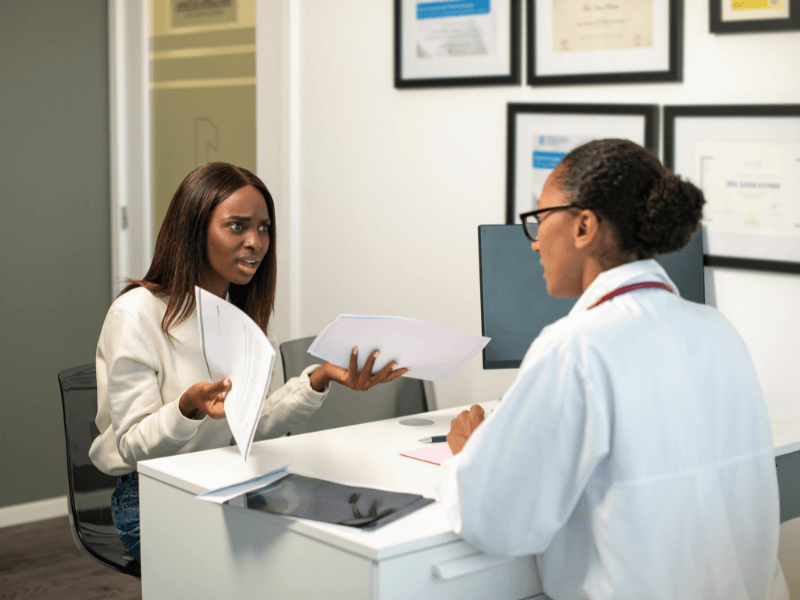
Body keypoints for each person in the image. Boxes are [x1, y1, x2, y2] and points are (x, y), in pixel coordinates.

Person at [437, 139, 788, 600]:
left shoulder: (576, 347)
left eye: (540, 221)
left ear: (583, 226)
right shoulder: (717, 329)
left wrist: (469, 454)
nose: (536, 241)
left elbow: (496, 519)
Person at [89, 162, 407, 562]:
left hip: (229, 477)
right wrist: (187, 408)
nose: (255, 242)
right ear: (193, 231)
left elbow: (255, 426)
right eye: (237, 226)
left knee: (341, 540)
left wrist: (321, 378)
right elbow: (134, 447)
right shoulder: (136, 314)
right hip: (151, 495)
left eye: (264, 228)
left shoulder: (239, 315)